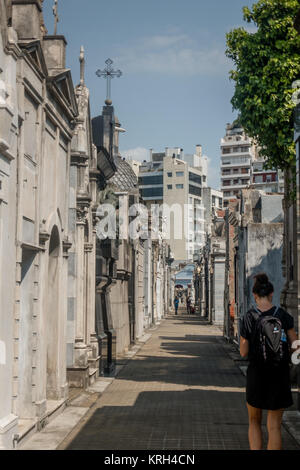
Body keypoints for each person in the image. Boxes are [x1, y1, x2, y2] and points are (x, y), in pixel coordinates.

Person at [239, 273, 298, 451]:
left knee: (254, 422)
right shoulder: (283, 316)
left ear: (254, 294)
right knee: (274, 426)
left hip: (256, 375)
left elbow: (243, 352)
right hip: (279, 375)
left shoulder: (248, 318)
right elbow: (296, 346)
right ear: (272, 293)